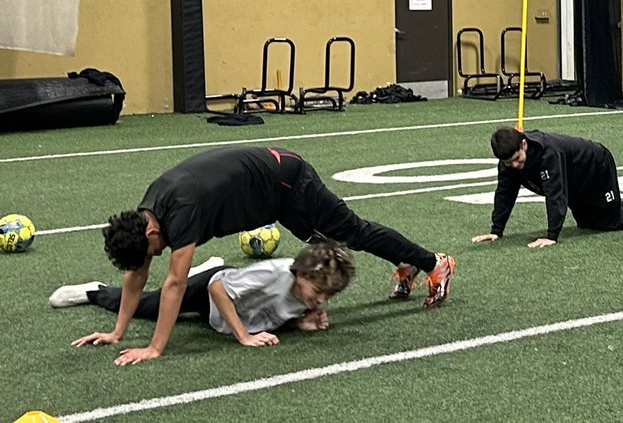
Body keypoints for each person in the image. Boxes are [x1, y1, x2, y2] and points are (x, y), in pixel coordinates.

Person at [73, 146, 455, 365]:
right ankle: (402, 263)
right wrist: (117, 332)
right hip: (273, 196)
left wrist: (155, 348)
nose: (151, 258)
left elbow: (174, 283)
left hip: (290, 181)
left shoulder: (180, 211)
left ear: (151, 232)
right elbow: (138, 273)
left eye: (151, 252)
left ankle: (432, 263)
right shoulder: (146, 216)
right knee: (332, 239)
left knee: (349, 232)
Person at [55, 240, 355, 348]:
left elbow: (269, 312)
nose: (321, 301)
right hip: (211, 290)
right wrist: (243, 336)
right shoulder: (275, 273)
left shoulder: (306, 295)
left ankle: (210, 266)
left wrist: (299, 323)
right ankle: (95, 291)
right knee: (148, 306)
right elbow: (218, 288)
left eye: (328, 297)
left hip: (230, 305)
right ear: (300, 275)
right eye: (318, 292)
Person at [472, 127, 623, 249]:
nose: (514, 166)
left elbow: (555, 194)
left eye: (517, 159)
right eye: (509, 163)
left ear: (524, 145)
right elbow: (504, 194)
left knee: (611, 221)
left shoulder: (547, 153)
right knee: (587, 223)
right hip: (575, 179)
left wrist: (552, 236)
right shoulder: (508, 162)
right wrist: (496, 230)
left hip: (596, 166)